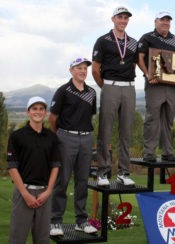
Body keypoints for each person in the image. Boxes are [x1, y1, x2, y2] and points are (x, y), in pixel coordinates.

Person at [49, 58, 97, 235]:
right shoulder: (63, 91)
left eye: (85, 68)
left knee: (83, 181)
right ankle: (55, 222)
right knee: (62, 181)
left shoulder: (92, 92)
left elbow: (90, 116)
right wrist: (59, 138)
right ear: (71, 70)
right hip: (65, 138)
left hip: (85, 139)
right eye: (79, 68)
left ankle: (81, 221)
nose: (83, 71)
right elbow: (52, 118)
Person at [92, 6, 137, 186]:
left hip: (129, 88)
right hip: (109, 85)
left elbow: (132, 66)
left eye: (126, 18)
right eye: (120, 17)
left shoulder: (133, 42)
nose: (123, 20)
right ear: (113, 19)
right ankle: (102, 172)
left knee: (126, 131)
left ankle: (123, 173)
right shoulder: (102, 40)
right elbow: (95, 68)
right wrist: (106, 86)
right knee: (106, 130)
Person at [7, 96, 60, 244]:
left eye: (41, 109)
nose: (38, 112)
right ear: (28, 112)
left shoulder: (52, 137)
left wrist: (48, 192)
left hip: (44, 194)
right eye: (34, 109)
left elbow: (55, 166)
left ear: (46, 112)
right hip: (23, 192)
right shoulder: (17, 136)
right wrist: (25, 194)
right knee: (17, 238)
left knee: (42, 239)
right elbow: (12, 167)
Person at [138, 11, 175, 162]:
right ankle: (149, 153)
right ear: (155, 21)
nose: (165, 23)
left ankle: (167, 152)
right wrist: (147, 74)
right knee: (152, 118)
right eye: (162, 20)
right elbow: (140, 58)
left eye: (168, 20)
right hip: (154, 85)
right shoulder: (147, 37)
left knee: (168, 119)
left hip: (171, 86)